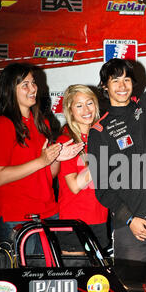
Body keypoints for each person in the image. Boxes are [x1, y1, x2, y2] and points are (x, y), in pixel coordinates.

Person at [88, 3, 146, 267]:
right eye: (115, 81)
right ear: (105, 87)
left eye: (127, 79)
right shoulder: (99, 131)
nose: (122, 85)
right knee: (132, 289)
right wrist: (130, 218)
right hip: (128, 221)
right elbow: (103, 189)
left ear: (133, 83)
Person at [0, 63, 83, 250]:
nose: (33, 89)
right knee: (21, 277)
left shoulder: (42, 122)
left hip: (47, 213)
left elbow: (49, 174)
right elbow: (0, 176)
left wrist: (56, 157)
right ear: (9, 89)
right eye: (25, 85)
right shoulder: (2, 125)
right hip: (16, 218)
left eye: (33, 83)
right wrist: (42, 160)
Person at [57, 84, 109, 252]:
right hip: (75, 221)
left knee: (97, 278)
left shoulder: (101, 135)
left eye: (90, 103)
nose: (86, 109)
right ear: (70, 110)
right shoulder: (66, 140)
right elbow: (74, 185)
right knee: (77, 274)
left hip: (100, 218)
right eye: (79, 105)